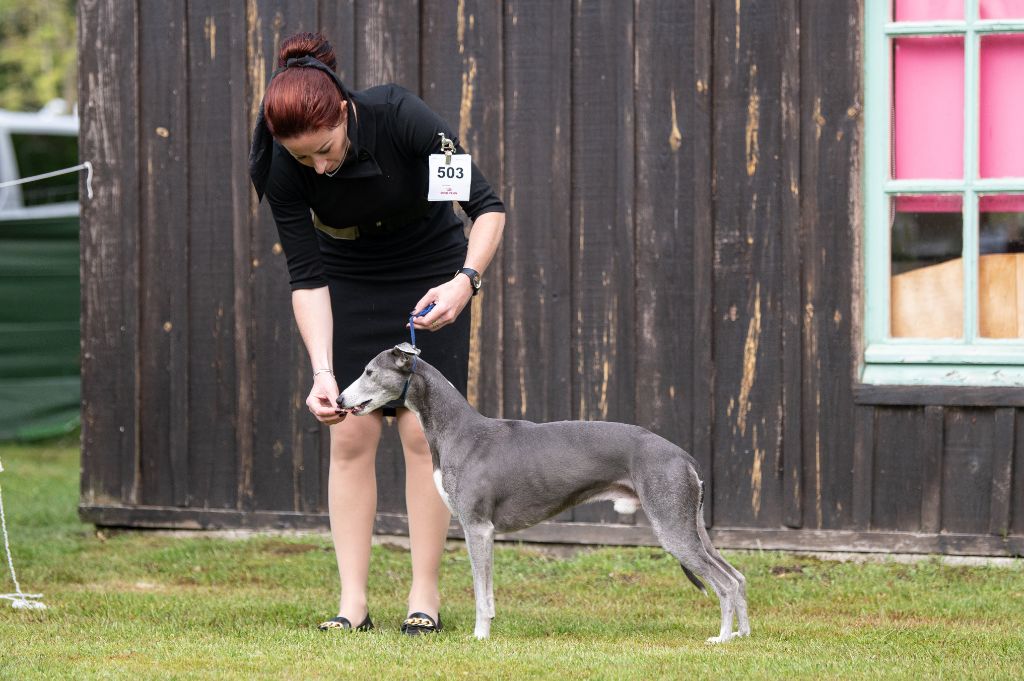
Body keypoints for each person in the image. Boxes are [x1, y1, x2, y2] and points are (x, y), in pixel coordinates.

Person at [249, 31, 505, 634]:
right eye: (304, 157)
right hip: (349, 278)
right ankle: (352, 605)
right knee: (351, 436)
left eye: (326, 149)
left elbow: (486, 206)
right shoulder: (284, 164)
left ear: (343, 110)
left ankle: (425, 599)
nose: (318, 166)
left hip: (430, 273)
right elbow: (306, 276)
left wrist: (466, 280)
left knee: (422, 436)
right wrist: (321, 372)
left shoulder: (400, 116)